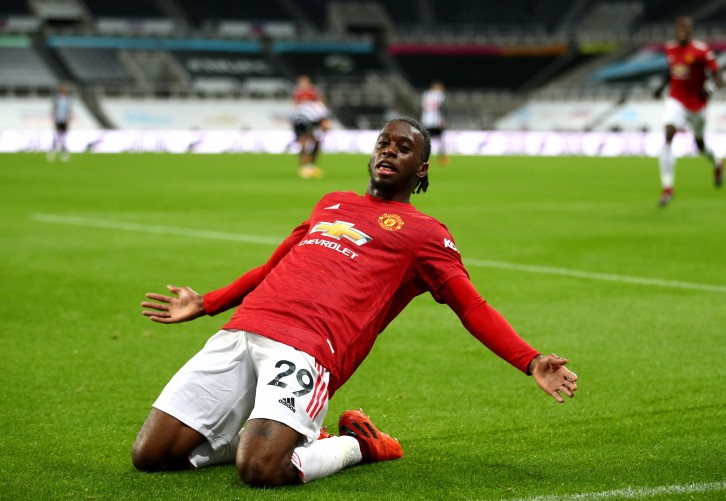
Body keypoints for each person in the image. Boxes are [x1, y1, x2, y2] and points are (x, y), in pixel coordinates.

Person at [132, 117, 578, 488]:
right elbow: (271, 268)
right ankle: (281, 431)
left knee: (261, 469)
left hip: (308, 349)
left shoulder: (426, 235)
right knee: (150, 455)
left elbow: (472, 307)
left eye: (403, 149)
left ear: (421, 169)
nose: (389, 151)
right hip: (244, 329)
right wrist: (207, 303)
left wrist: (530, 359)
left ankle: (359, 443)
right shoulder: (331, 203)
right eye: (384, 143)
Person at [653, 16, 725, 207]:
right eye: (680, 27)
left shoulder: (702, 51)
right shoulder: (669, 48)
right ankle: (668, 188)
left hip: (696, 104)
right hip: (676, 99)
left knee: (699, 145)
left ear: (691, 30)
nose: (682, 30)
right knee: (668, 136)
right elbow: (672, 72)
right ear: (676, 29)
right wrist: (661, 88)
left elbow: (718, 76)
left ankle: (717, 162)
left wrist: (709, 90)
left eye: (686, 27)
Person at [290, 98, 332, 179]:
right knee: (307, 142)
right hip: (302, 121)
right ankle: (306, 166)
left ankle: (307, 166)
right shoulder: (321, 110)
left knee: (309, 142)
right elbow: (326, 126)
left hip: (299, 119)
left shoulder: (316, 109)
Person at [421, 81, 448, 165]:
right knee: (440, 140)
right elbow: (442, 108)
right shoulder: (440, 95)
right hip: (436, 121)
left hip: (426, 120)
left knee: (428, 140)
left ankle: (429, 158)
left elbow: (423, 107)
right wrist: (442, 119)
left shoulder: (426, 94)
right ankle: (442, 158)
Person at [49, 82, 73, 162]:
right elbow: (54, 109)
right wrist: (54, 119)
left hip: (64, 120)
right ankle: (52, 152)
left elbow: (69, 111)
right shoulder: (57, 99)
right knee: (57, 136)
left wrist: (68, 120)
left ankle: (63, 153)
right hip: (58, 120)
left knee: (63, 137)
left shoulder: (67, 99)